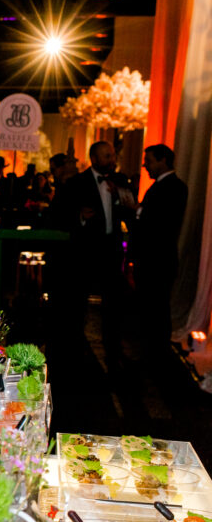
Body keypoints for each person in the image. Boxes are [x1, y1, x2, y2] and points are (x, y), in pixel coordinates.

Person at [63, 141, 132, 367]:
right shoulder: (77, 183)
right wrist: (80, 216)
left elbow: (128, 209)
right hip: (86, 253)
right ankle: (76, 351)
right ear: (94, 159)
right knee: (78, 303)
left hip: (112, 252)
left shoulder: (120, 181)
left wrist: (122, 196)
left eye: (112, 156)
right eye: (106, 156)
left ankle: (114, 352)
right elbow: (61, 214)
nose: (112, 160)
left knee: (114, 304)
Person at [123, 144, 188, 367]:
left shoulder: (175, 187)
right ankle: (152, 354)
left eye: (149, 160)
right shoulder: (161, 186)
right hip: (152, 259)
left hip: (158, 260)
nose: (145, 165)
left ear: (163, 160)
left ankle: (156, 356)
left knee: (156, 308)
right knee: (151, 307)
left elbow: (160, 223)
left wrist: (137, 212)